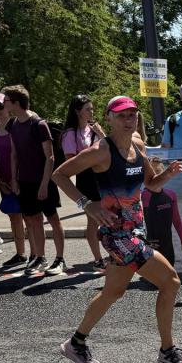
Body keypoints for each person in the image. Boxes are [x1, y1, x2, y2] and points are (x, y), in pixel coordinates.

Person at [53, 95, 182, 363]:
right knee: (170, 282)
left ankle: (75, 343)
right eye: (121, 115)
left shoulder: (138, 145)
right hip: (117, 235)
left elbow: (151, 184)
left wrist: (168, 174)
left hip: (136, 229)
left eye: (132, 114)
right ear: (109, 118)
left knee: (113, 291)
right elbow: (59, 175)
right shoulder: (100, 151)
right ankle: (167, 351)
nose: (128, 119)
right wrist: (87, 204)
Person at [4, 84, 66, 277]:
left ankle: (60, 259)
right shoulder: (12, 124)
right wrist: (14, 179)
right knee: (33, 219)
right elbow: (14, 154)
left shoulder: (38, 125)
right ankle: (40, 257)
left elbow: (50, 157)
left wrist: (44, 184)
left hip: (44, 180)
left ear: (16, 102)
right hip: (25, 182)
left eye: (6, 100)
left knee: (53, 218)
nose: (4, 104)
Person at [61, 94, 106, 269]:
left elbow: (109, 149)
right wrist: (91, 157)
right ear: (77, 112)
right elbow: (70, 162)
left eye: (92, 108)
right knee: (94, 221)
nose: (91, 112)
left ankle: (112, 255)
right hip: (86, 180)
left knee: (109, 218)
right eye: (88, 109)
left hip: (102, 177)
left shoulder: (93, 129)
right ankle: (98, 259)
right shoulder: (70, 134)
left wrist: (101, 134)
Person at [0, 93, 26, 269]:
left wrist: (15, 179)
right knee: (13, 217)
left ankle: (36, 255)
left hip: (20, 178)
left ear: (8, 107)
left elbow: (20, 154)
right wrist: (0, 179)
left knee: (29, 217)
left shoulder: (16, 126)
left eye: (0, 106)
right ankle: (20, 254)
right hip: (4, 181)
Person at [142, 157, 182, 266]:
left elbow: (176, 220)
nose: (156, 176)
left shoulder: (171, 195)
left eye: (158, 172)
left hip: (168, 245)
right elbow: (137, 222)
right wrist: (143, 242)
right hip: (152, 246)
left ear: (164, 172)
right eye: (152, 173)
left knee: (170, 271)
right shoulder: (143, 196)